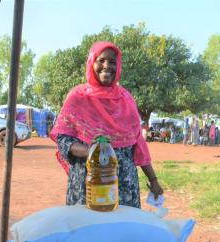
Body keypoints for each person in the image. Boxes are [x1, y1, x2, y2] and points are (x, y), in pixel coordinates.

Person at [50, 41, 164, 208]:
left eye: (112, 62)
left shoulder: (126, 99)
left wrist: (153, 180)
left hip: (124, 187)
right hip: (87, 186)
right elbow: (63, 140)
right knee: (88, 230)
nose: (107, 66)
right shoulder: (78, 97)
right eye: (101, 60)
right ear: (92, 62)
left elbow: (138, 144)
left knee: (121, 231)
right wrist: (91, 151)